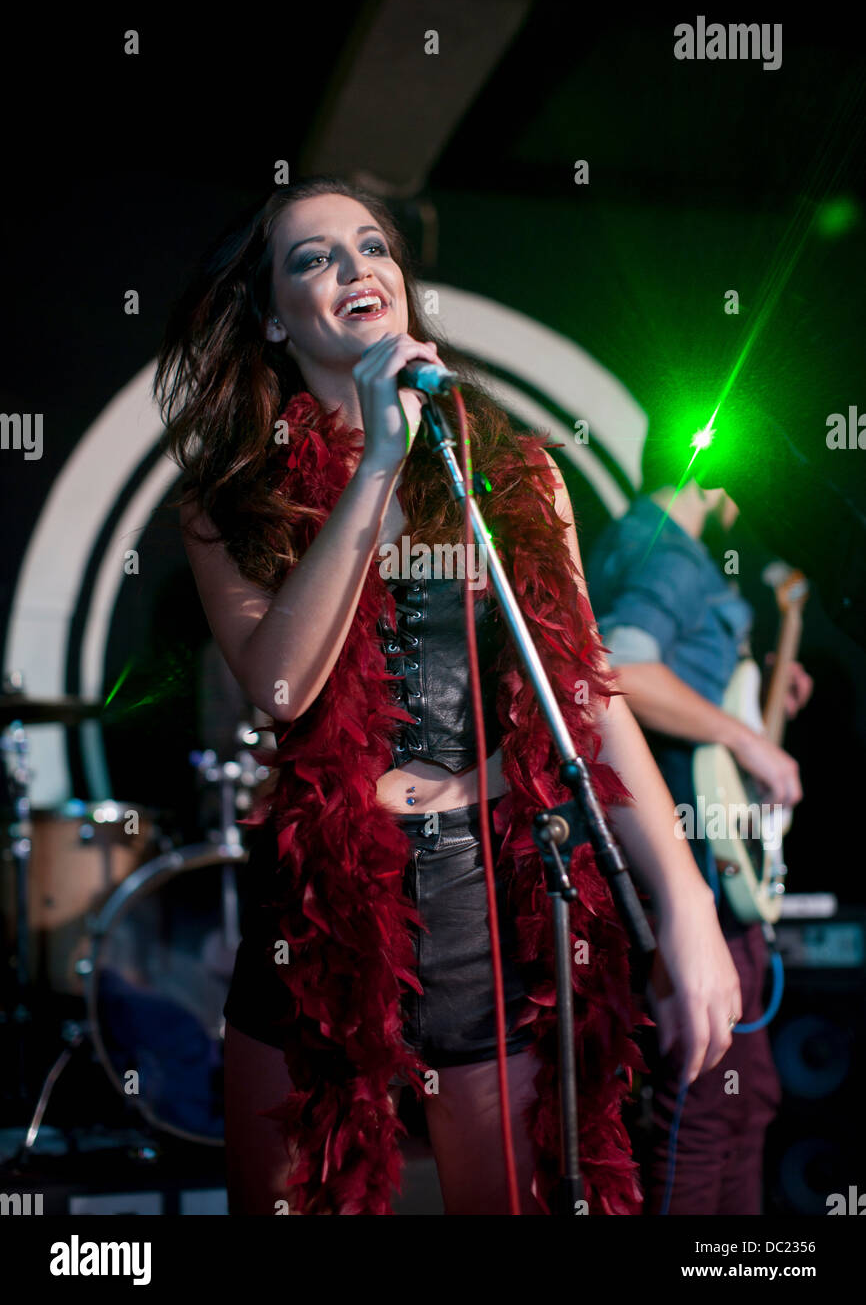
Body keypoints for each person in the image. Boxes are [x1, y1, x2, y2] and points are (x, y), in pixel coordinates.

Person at [154, 176, 741, 1216]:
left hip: (489, 905)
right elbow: (282, 684)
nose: (353, 268)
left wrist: (684, 899)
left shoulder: (511, 474)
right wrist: (379, 457)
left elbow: (586, 700)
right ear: (275, 320)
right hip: (321, 908)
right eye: (312, 258)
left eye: (370, 247)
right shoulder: (228, 497)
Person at [588, 425, 813, 1215]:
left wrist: (744, 699)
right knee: (707, 1105)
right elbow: (619, 666)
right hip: (694, 873)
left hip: (689, 862)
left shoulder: (628, 542)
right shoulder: (670, 553)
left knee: (743, 1097)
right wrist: (749, 738)